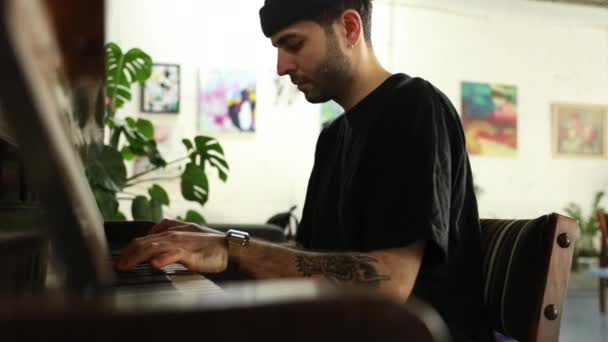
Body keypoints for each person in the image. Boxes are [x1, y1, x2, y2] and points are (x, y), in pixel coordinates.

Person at [116, 1, 494, 340]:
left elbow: (389, 281)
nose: (281, 67)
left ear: (349, 28)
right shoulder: (333, 138)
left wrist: (233, 249)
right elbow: (312, 258)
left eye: (293, 44)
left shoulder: (414, 107)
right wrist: (214, 242)